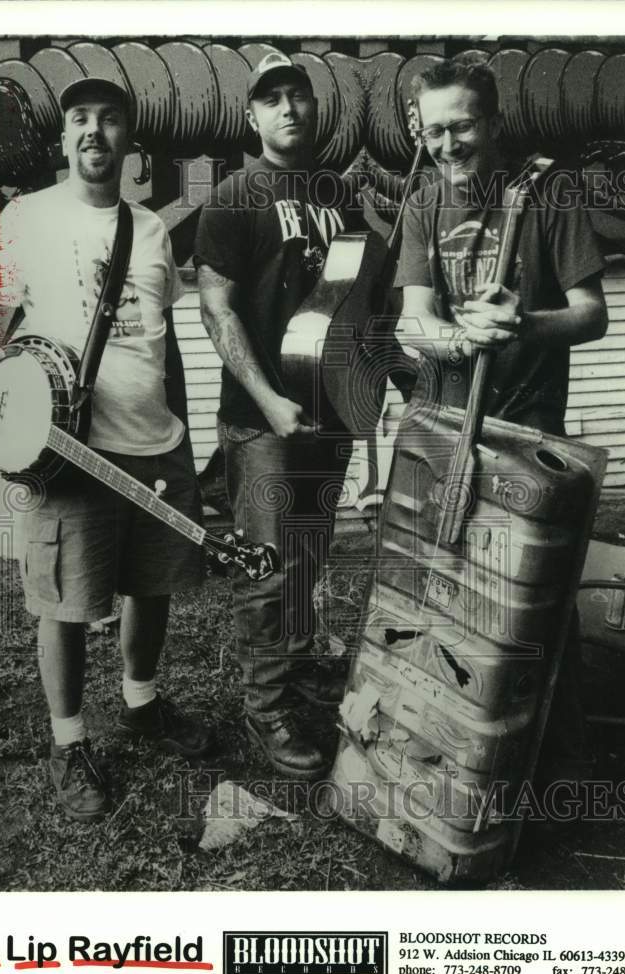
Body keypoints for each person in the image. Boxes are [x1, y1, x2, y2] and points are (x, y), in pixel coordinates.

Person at [0, 77, 211, 823]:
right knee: (65, 599)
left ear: (130, 141)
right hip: (71, 451)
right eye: (79, 118)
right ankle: (68, 741)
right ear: (62, 139)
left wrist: (186, 433)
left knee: (150, 586)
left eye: (110, 119)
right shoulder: (23, 220)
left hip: (157, 447)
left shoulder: (150, 229)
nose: (94, 131)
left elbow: (166, 341)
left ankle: (141, 701)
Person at [393, 58, 609, 791]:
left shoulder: (548, 194)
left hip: (525, 431)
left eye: (461, 127)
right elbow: (411, 320)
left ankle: (556, 763)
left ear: (491, 123)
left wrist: (524, 323)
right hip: (447, 426)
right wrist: (459, 340)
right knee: (445, 581)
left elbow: (591, 314)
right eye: (433, 130)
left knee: (531, 596)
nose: (447, 144)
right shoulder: (423, 201)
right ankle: (452, 747)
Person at [193, 53, 366, 779]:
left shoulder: (340, 197)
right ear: (251, 116)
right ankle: (264, 706)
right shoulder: (234, 194)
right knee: (267, 568)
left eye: (299, 95)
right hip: (261, 419)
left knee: (307, 560)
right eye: (273, 99)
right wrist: (267, 399)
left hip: (328, 415)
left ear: (315, 110)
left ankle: (294, 670)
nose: (289, 108)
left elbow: (355, 304)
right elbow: (214, 306)